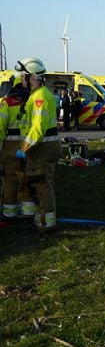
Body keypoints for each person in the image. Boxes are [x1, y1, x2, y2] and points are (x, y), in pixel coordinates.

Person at [15, 57, 62, 233]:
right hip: (40, 148)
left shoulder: (40, 97)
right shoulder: (36, 96)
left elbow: (38, 128)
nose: (21, 79)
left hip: (43, 148)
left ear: (33, 77)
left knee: (42, 185)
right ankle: (40, 218)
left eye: (23, 76)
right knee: (36, 183)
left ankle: (47, 224)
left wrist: (23, 148)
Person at [0, 73, 30, 222]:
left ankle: (9, 213)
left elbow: (0, 126)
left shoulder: (7, 102)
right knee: (28, 177)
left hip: (11, 145)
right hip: (30, 144)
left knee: (11, 179)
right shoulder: (32, 101)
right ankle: (28, 212)